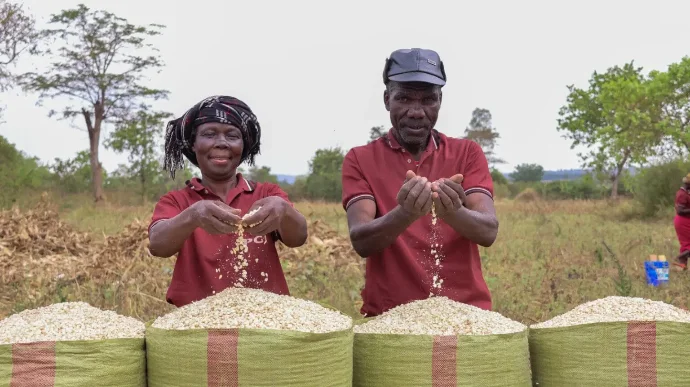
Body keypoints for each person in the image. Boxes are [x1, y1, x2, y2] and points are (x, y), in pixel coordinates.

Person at [341, 48, 499, 317]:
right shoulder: (360, 159)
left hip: (466, 315)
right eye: (404, 98)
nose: (416, 111)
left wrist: (453, 212)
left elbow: (488, 232)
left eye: (428, 100)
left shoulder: (466, 153)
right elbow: (362, 241)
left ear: (440, 101)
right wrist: (406, 213)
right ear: (387, 99)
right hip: (391, 317)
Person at [147, 95, 308, 307]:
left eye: (232, 136)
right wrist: (194, 215)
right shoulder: (178, 201)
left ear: (243, 146)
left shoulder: (266, 194)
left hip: (265, 318)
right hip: (197, 320)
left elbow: (298, 237)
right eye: (209, 134)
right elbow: (158, 245)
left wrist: (284, 210)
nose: (221, 143)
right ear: (193, 145)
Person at [673, 173, 690, 271]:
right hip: (683, 222)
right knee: (687, 244)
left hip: (687, 220)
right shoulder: (682, 194)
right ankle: (680, 258)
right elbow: (680, 211)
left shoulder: (687, 192)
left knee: (686, 245)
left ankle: (681, 267)